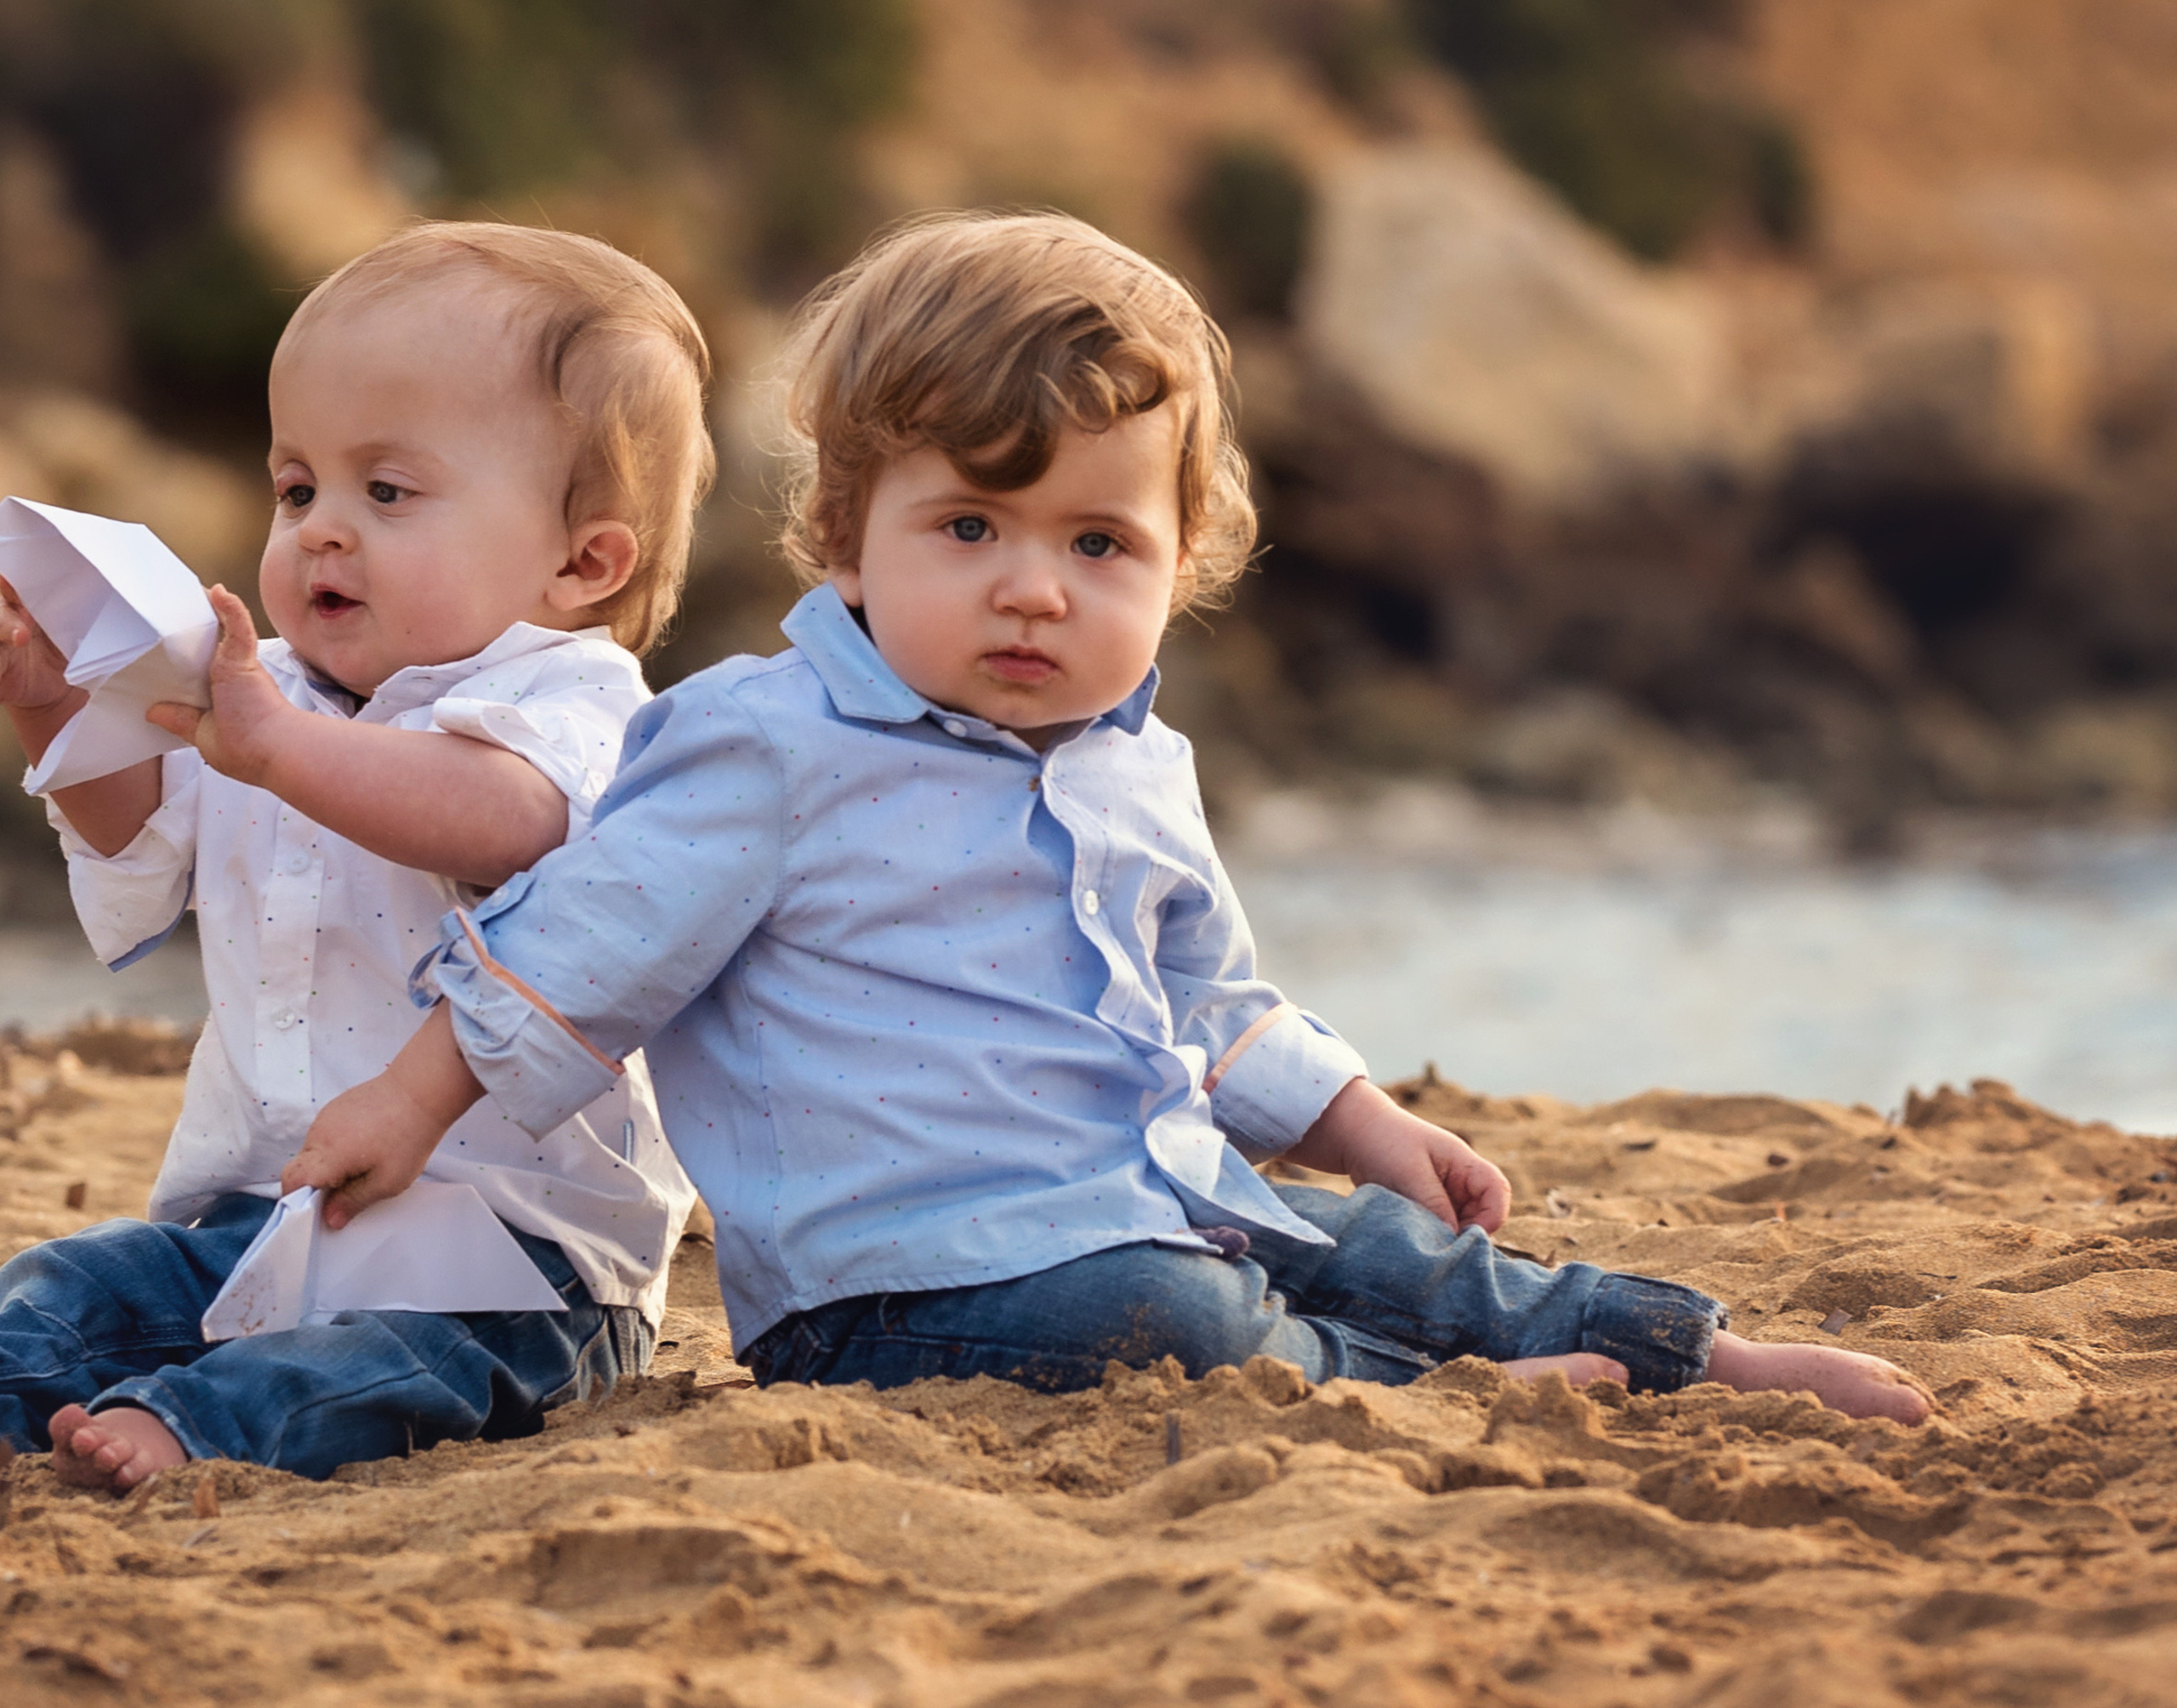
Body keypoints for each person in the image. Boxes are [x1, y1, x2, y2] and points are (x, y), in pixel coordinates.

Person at [296, 213, 1930, 1426]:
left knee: (1375, 1248)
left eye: (1098, 544)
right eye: (969, 527)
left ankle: (1693, 1354)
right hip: (899, 1292)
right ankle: (1419, 1404)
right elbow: (583, 947)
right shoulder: (764, 744)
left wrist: (1366, 1122)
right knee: (1179, 1318)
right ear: (847, 537)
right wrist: (411, 1099)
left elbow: (1212, 1005)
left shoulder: (1136, 767)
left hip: (1154, 1199)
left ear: (1179, 559)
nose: (1034, 587)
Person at [0, 220, 715, 1489]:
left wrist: (278, 751)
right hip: (262, 1222)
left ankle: (198, 1429)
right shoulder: (262, 693)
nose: (323, 531)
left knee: (382, 1366)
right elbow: (139, 842)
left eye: (387, 492)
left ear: (581, 561)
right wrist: (56, 706)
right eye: (297, 490)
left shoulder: (581, 708)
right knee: (65, 1289)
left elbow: (510, 819)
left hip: (514, 1262)